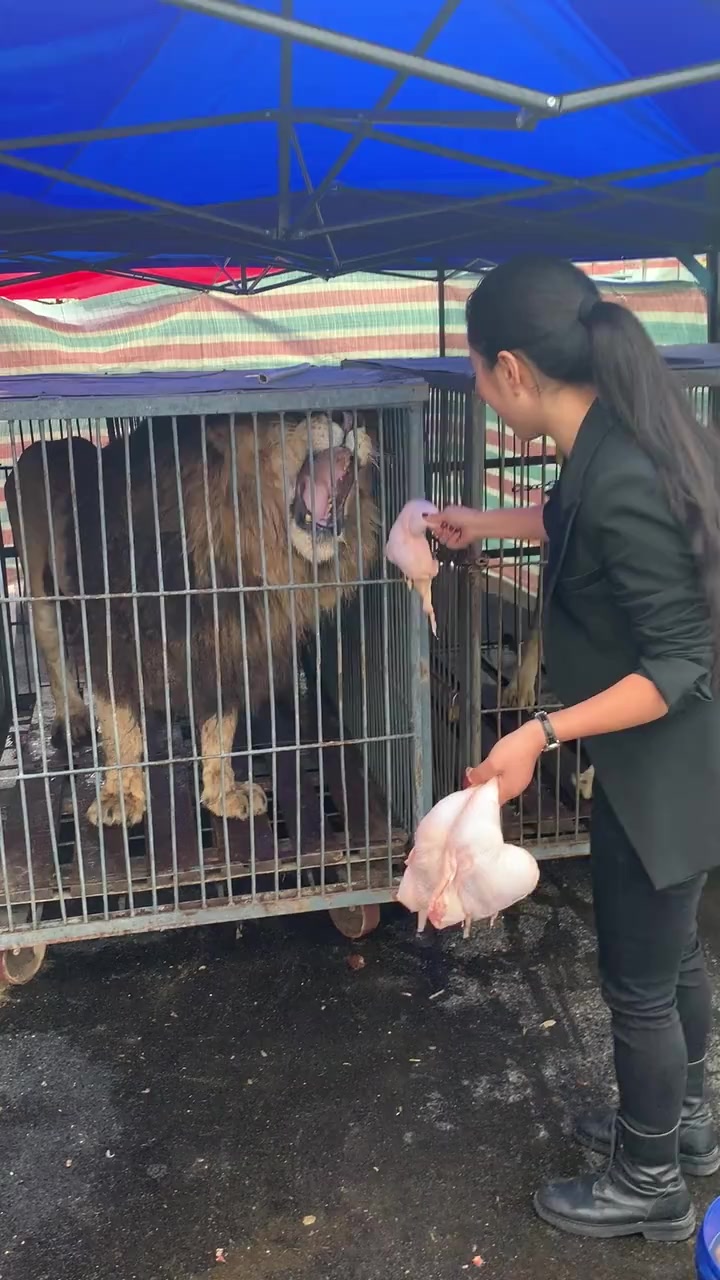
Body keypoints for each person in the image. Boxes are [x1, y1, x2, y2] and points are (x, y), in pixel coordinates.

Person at [425, 255, 720, 1244]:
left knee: (638, 976)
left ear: (511, 367)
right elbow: (570, 519)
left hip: (665, 768)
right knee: (672, 956)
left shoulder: (623, 468)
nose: (475, 385)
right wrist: (488, 521)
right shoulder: (606, 443)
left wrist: (542, 729)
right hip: (670, 766)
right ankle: (678, 1122)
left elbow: (679, 659)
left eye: (472, 367)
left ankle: (650, 1181)